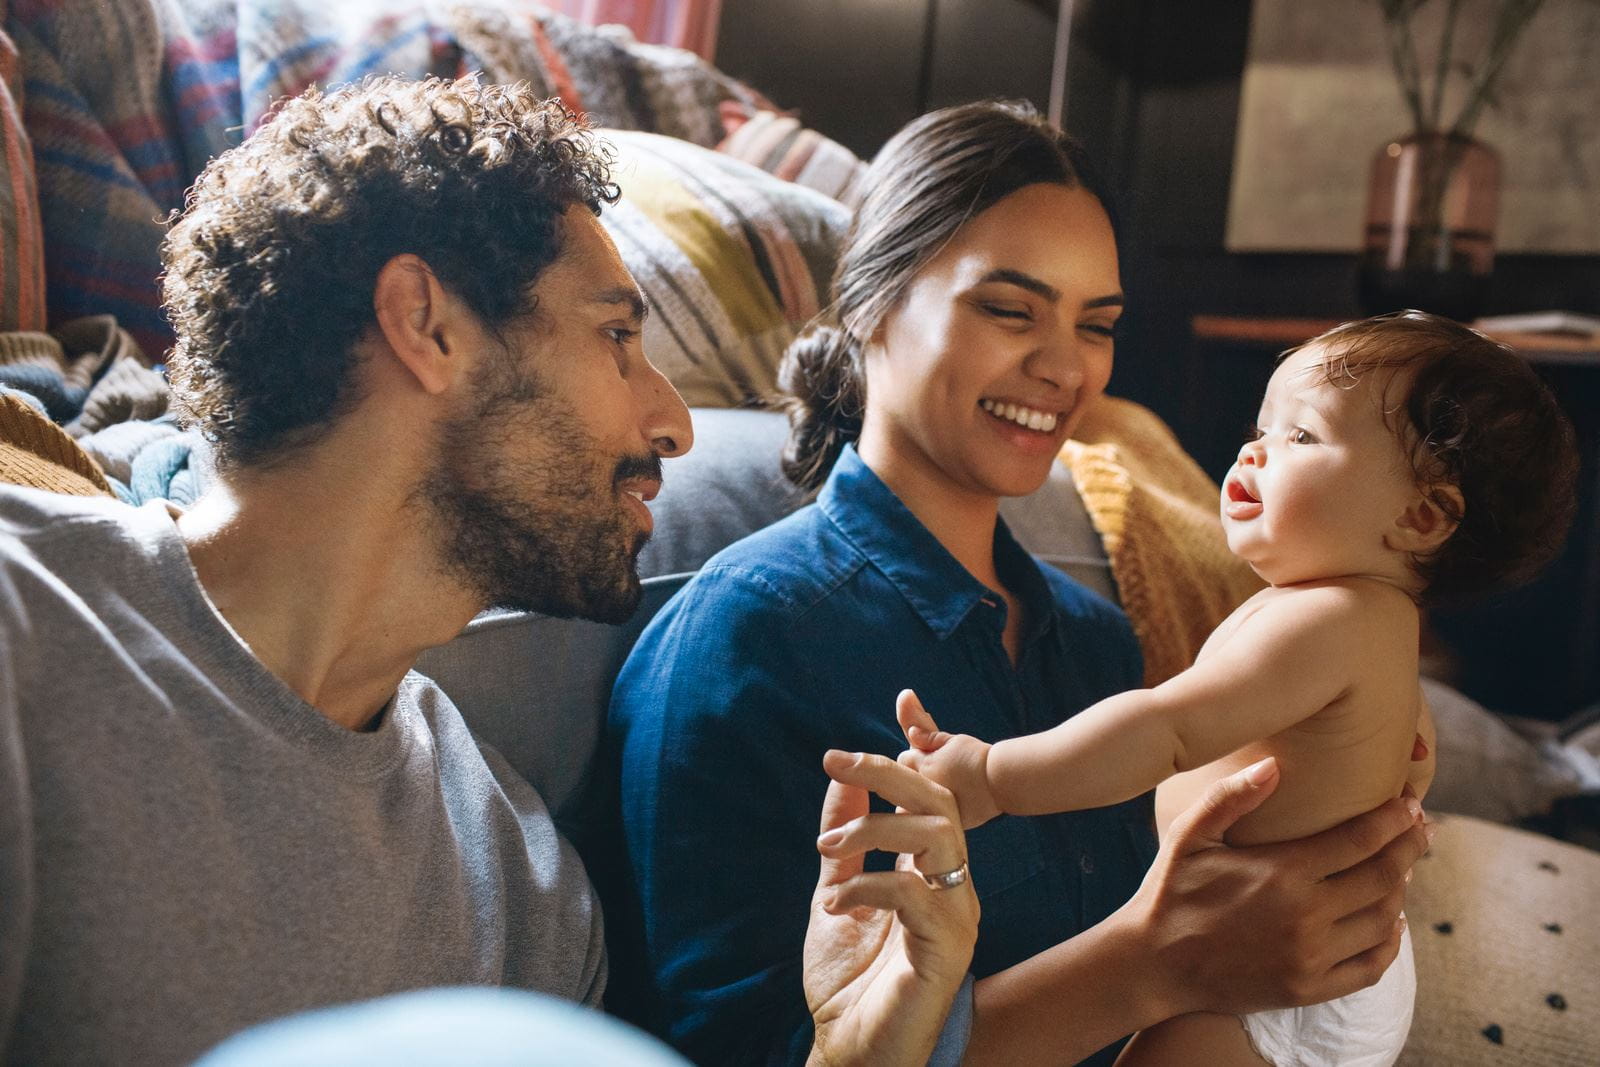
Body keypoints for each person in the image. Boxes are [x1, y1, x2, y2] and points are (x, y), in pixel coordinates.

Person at [0, 75, 976, 1066]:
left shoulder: (517, 881)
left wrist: (854, 1056)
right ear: (426, 324)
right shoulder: (24, 636)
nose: (674, 422)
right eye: (615, 336)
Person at [608, 100, 1435, 1066]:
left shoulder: (1093, 639)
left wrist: (1336, 806)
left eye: (1098, 325)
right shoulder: (744, 637)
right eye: (1010, 309)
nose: (1064, 366)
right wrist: (1155, 961)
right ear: (871, 301)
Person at [898, 310, 1580, 1064]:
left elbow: (1167, 728)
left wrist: (993, 776)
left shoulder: (1330, 620)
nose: (1255, 450)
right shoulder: (1373, 630)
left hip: (1265, 988)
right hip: (1302, 960)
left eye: (1303, 436)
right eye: (1262, 426)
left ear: (1422, 515)